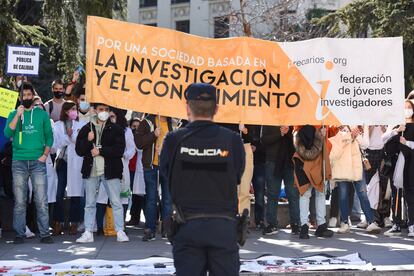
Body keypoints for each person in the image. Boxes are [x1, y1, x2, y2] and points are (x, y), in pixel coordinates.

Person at [160, 83, 245, 275]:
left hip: (187, 227)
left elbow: (166, 174)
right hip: (223, 228)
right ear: (216, 108)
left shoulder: (173, 140)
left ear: (187, 107)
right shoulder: (232, 140)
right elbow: (237, 175)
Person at [3, 82, 54, 244]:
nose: (26, 97)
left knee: (41, 200)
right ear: (19, 97)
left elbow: (49, 137)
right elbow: (7, 133)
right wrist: (18, 115)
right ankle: (20, 233)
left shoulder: (42, 114)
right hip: (19, 161)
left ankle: (45, 234)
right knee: (20, 200)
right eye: (23, 95)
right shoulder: (13, 113)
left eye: (29, 95)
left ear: (33, 96)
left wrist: (45, 155)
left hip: (38, 161)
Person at [75, 102, 129, 243]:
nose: (103, 112)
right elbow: (79, 151)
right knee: (90, 203)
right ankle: (88, 232)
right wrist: (88, 140)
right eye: (101, 109)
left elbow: (119, 150)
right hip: (91, 170)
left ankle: (120, 231)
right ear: (94, 110)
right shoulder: (87, 128)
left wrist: (101, 151)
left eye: (106, 110)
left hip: (110, 170)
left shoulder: (117, 129)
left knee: (116, 202)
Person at [329, 126, 381, 234]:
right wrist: (349, 135)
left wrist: (357, 135)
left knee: (363, 193)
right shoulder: (337, 124)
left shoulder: (361, 123)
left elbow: (365, 144)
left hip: (357, 165)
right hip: (342, 165)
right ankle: (344, 223)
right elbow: (334, 146)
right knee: (343, 195)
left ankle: (371, 221)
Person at [134, 114, 173, 241]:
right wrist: (153, 135)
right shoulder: (147, 122)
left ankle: (167, 229)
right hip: (151, 167)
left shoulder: (174, 123)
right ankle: (150, 228)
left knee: (167, 199)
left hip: (167, 167)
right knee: (151, 198)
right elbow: (139, 143)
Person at [96, 108, 135, 231]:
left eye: (113, 116)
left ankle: (121, 225)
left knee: (122, 196)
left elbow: (132, 149)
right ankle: (100, 227)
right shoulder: (103, 129)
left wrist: (125, 155)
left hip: (121, 165)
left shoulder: (126, 131)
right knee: (102, 196)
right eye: (109, 116)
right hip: (104, 165)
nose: (111, 119)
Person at [292, 125, 333, 239]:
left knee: (309, 194)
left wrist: (324, 133)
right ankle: (316, 225)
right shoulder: (320, 114)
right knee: (314, 193)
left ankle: (309, 225)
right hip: (314, 155)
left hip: (306, 155)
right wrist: (322, 135)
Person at [53, 101, 86, 235]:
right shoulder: (57, 125)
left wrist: (71, 135)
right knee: (59, 193)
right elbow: (56, 143)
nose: (74, 111)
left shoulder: (82, 124)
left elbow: (81, 142)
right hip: (62, 162)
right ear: (66, 111)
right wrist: (68, 136)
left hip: (76, 163)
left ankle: (74, 222)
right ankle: (57, 223)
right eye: (72, 109)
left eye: (75, 109)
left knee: (75, 193)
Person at [261, 125, 300, 235]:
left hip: (290, 161)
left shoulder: (293, 119)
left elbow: (300, 139)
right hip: (272, 161)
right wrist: (280, 134)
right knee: (272, 194)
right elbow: (263, 140)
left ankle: (296, 224)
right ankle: (272, 224)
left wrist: (289, 132)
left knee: (293, 194)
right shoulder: (269, 119)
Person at [127, 118, 146, 226]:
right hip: (129, 168)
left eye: (138, 127)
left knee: (139, 195)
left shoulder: (142, 138)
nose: (136, 129)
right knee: (129, 194)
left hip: (139, 170)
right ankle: (134, 217)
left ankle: (137, 217)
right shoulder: (128, 137)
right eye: (134, 126)